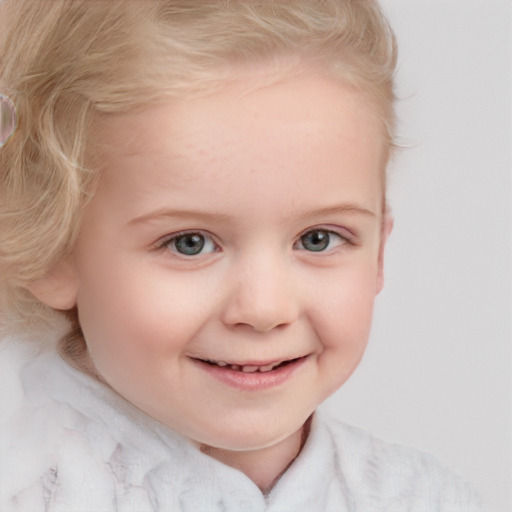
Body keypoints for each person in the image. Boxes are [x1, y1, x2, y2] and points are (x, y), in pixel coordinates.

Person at [0, 1, 481, 510]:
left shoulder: (423, 498)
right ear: (47, 248)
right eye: (191, 243)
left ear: (379, 251)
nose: (265, 309)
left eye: (318, 239)